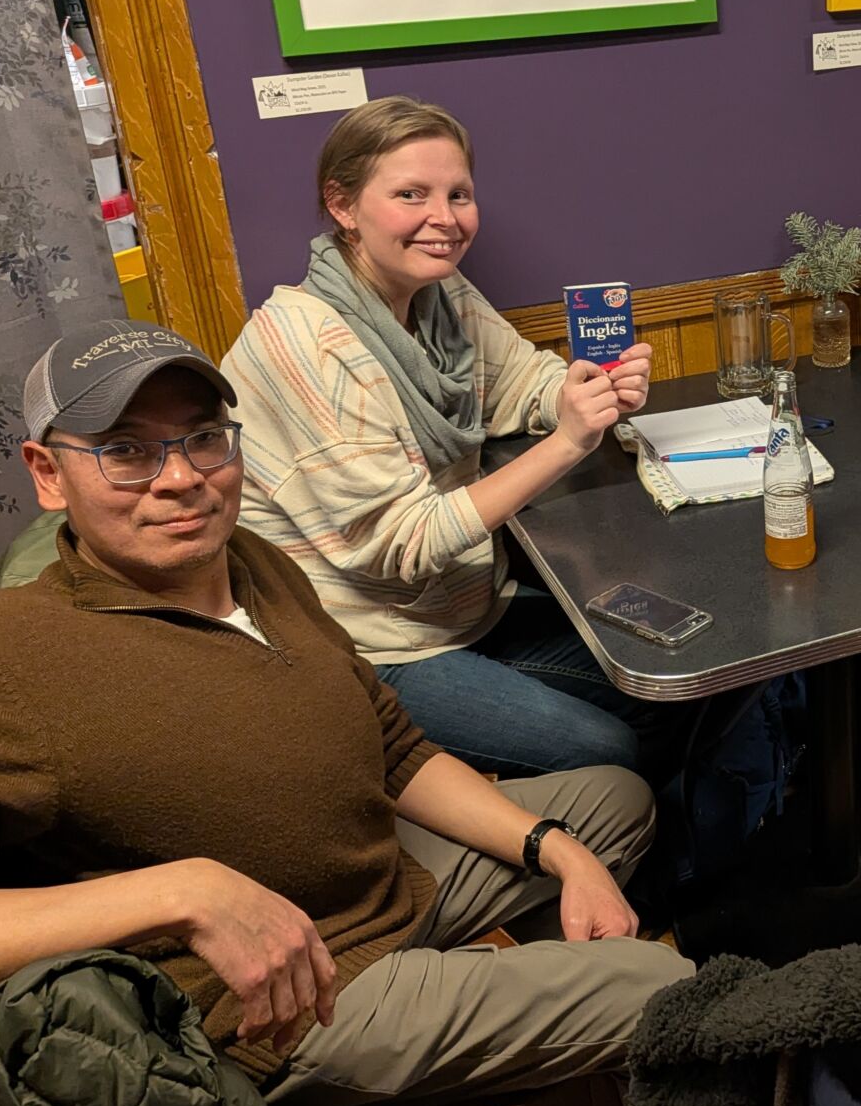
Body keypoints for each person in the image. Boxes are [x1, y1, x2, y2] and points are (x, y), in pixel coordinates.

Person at [0, 321, 690, 1106]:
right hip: (288, 1004)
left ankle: (557, 1045)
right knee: (668, 987)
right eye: (126, 451)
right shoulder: (1, 650)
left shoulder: (252, 561)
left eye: (202, 439)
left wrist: (553, 848)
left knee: (612, 801)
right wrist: (177, 894)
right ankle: (573, 1033)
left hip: (377, 888)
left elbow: (394, 748)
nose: (181, 478)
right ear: (48, 475)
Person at [222, 97, 665, 777]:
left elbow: (520, 380)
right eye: (411, 194)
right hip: (366, 649)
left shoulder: (440, 293)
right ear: (342, 205)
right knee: (607, 747)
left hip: (468, 608)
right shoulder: (305, 345)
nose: (446, 218)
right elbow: (403, 542)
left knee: (668, 675)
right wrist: (568, 441)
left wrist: (585, 390)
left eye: (459, 194)